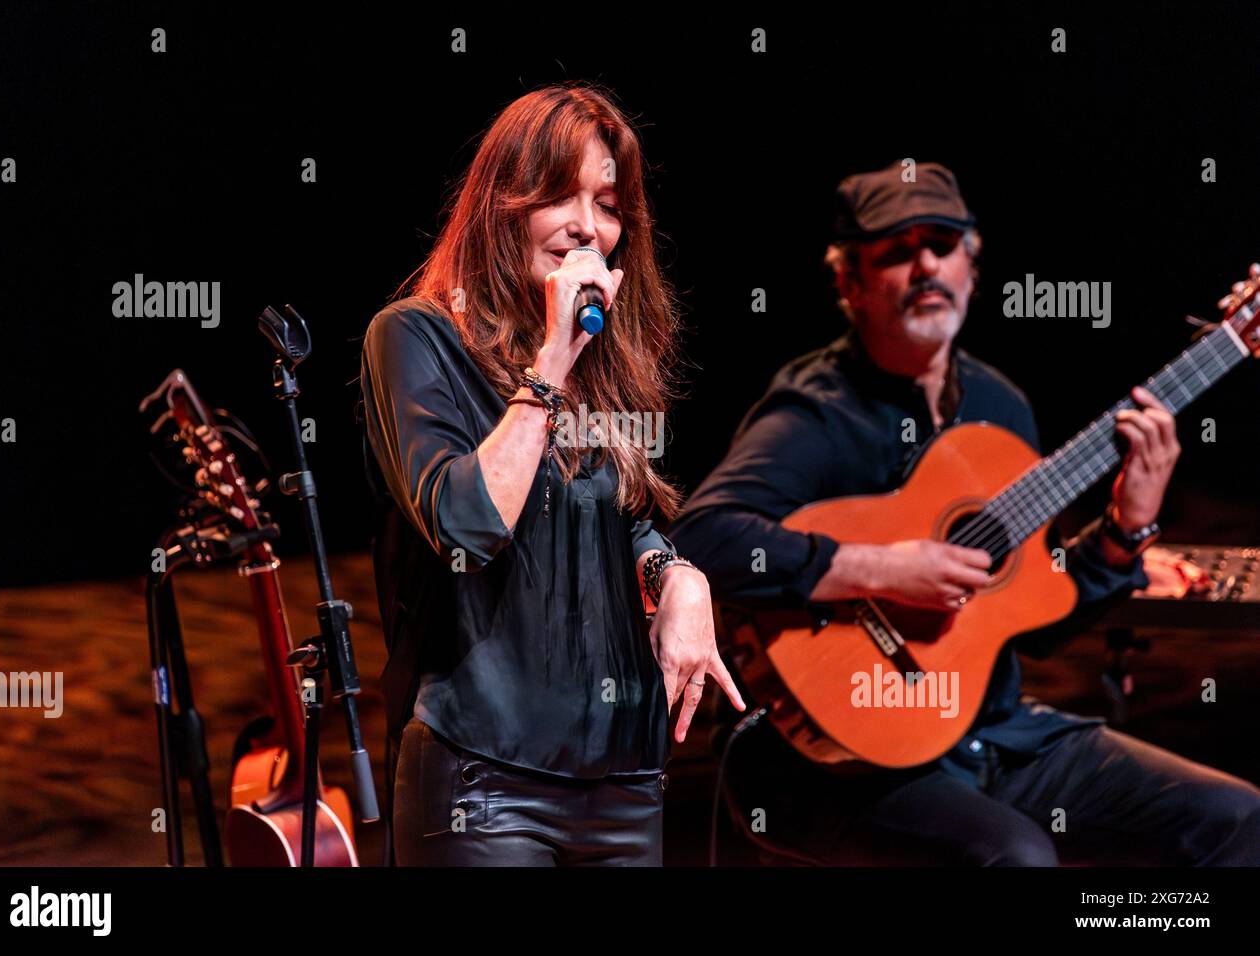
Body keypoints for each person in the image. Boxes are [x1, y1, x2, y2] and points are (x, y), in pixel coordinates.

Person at [668, 160, 1260, 865]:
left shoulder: (999, 409)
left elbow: (1031, 618)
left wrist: (1126, 531)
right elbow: (701, 539)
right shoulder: (817, 410)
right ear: (850, 284)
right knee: (1015, 858)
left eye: (943, 245)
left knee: (1236, 817)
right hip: (825, 765)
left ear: (972, 272)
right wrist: (884, 568)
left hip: (989, 731)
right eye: (896, 249)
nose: (926, 264)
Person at [359, 84, 744, 866]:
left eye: (606, 205)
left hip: (623, 778)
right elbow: (468, 524)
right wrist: (551, 366)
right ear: (503, 204)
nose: (586, 227)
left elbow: (620, 516)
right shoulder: (414, 339)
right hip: (484, 780)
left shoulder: (599, 369)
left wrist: (678, 576)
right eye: (559, 197)